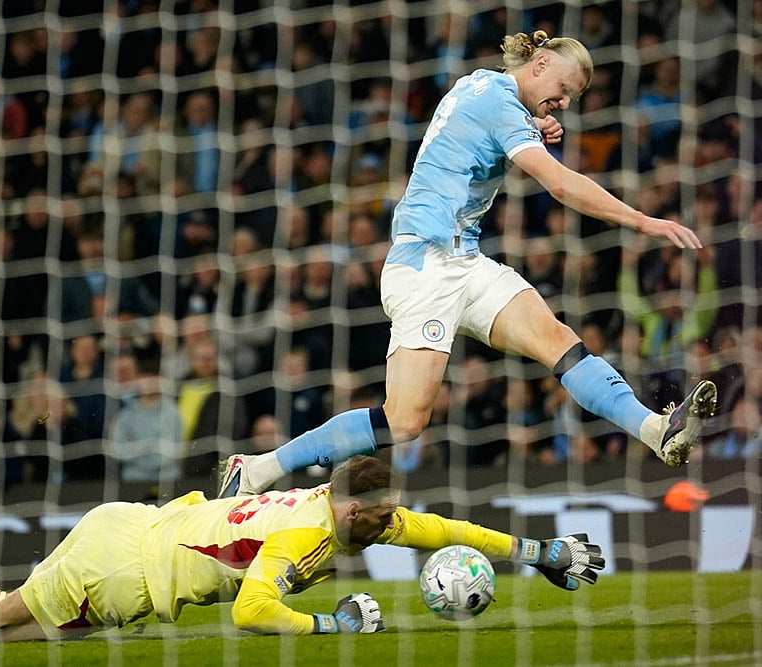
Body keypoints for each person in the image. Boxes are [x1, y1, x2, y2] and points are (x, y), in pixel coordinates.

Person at [218, 30, 717, 497]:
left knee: (560, 343)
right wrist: (643, 220)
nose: (564, 104)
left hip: (465, 260)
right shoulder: (499, 103)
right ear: (540, 63)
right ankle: (260, 469)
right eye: (563, 90)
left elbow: (482, 131)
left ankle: (656, 429)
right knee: (404, 422)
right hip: (425, 265)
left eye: (571, 100)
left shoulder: (480, 86)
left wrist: (531, 121)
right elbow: (561, 185)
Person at [0, 456, 603, 640]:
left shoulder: (342, 508)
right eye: (378, 513)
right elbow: (251, 609)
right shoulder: (304, 531)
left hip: (132, 524)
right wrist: (335, 627)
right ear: (350, 502)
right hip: (131, 570)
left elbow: (446, 528)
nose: (389, 524)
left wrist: (534, 548)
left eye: (388, 515)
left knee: (9, 619)